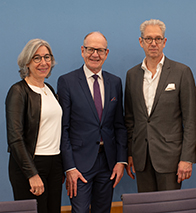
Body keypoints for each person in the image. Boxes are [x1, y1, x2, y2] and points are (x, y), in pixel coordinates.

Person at [124, 19, 196, 192]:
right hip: (141, 157)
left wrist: (187, 158)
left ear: (164, 42)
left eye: (158, 39)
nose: (153, 43)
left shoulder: (181, 72)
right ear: (141, 41)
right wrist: (130, 152)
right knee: (147, 207)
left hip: (170, 158)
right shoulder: (132, 75)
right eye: (148, 39)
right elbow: (129, 119)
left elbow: (191, 120)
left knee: (170, 207)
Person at [57, 32, 127, 213]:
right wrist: (69, 167)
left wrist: (121, 160)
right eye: (90, 49)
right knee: (79, 211)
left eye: (100, 50)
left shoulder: (115, 82)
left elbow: (119, 125)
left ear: (107, 53)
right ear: (82, 50)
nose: (95, 54)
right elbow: (63, 129)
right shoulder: (67, 82)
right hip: (79, 163)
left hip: (108, 162)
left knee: (103, 210)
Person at [5, 39, 63, 213]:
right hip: (30, 165)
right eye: (37, 58)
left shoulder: (49, 89)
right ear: (27, 62)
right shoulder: (18, 91)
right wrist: (32, 173)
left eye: (47, 57)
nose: (43, 62)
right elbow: (15, 137)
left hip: (54, 163)